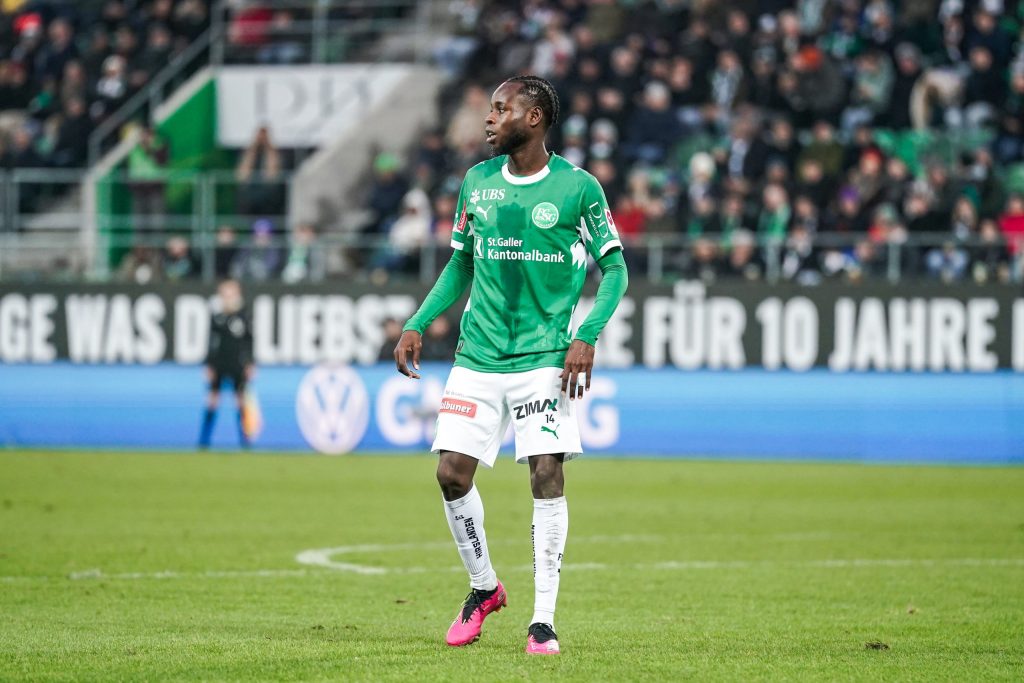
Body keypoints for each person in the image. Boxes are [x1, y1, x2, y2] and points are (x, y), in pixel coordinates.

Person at [393, 76, 628, 656]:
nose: (489, 118)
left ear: (535, 117)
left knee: (546, 473)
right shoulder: (477, 182)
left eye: (501, 109)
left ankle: (542, 622)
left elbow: (616, 269)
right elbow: (461, 264)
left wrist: (587, 335)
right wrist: (417, 321)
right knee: (451, 474)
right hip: (478, 354)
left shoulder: (578, 188)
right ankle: (484, 587)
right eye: (490, 109)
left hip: (544, 357)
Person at [199, 279, 255, 450]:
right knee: (212, 400)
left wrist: (250, 363)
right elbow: (211, 342)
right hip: (219, 363)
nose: (228, 298)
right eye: (225, 294)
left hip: (237, 363)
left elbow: (249, 342)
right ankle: (204, 441)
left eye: (231, 294)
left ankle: (245, 441)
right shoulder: (217, 317)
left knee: (240, 401)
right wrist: (209, 365)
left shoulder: (244, 316)